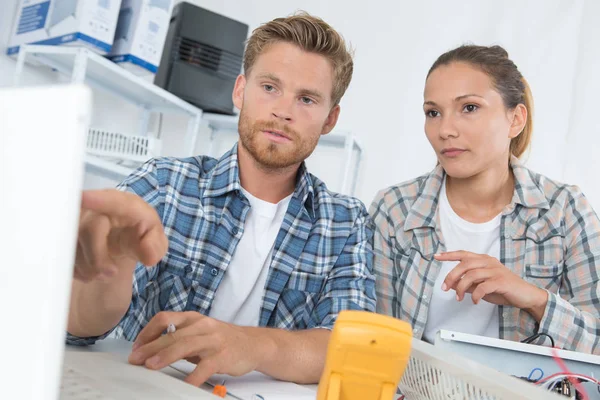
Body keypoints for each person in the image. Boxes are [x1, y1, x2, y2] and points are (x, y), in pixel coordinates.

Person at [67, 12, 376, 386]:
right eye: (269, 87)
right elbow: (78, 328)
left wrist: (250, 345)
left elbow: (353, 351)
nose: (283, 111)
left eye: (307, 99)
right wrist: (111, 266)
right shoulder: (164, 185)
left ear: (330, 119)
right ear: (240, 91)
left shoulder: (346, 222)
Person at [370, 44, 600, 354]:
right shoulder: (393, 209)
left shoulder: (564, 210)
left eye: (469, 108)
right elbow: (371, 340)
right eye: (433, 113)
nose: (445, 130)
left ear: (515, 119)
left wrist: (532, 297)